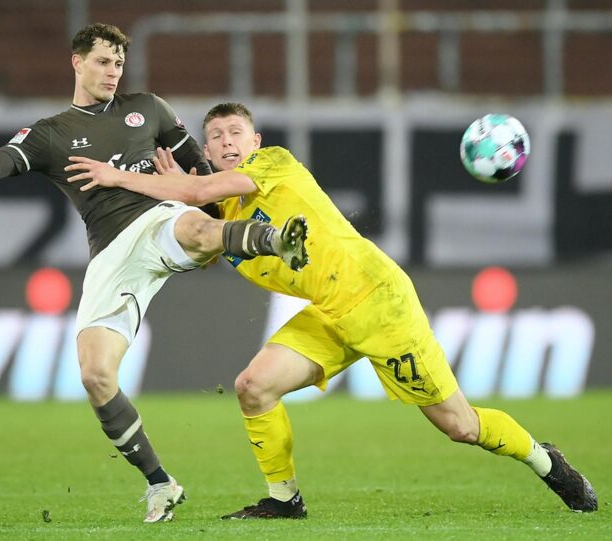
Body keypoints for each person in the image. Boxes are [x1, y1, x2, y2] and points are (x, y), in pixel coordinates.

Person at [65, 102, 598, 518]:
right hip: (330, 314)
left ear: (256, 142)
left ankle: (546, 461)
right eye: (216, 137)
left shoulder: (273, 164)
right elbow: (195, 241)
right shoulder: (224, 217)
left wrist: (127, 179)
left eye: (235, 134)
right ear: (206, 147)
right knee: (254, 386)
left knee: (459, 426)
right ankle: (283, 500)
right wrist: (175, 199)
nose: (227, 142)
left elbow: (202, 186)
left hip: (379, 303)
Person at [0, 27, 308, 524]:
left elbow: (205, 187)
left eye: (118, 63)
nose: (112, 72)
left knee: (189, 224)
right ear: (76, 62)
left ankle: (276, 240)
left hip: (161, 218)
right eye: (102, 62)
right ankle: (161, 484)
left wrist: (185, 184)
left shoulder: (150, 109)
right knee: (95, 374)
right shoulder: (51, 133)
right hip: (110, 251)